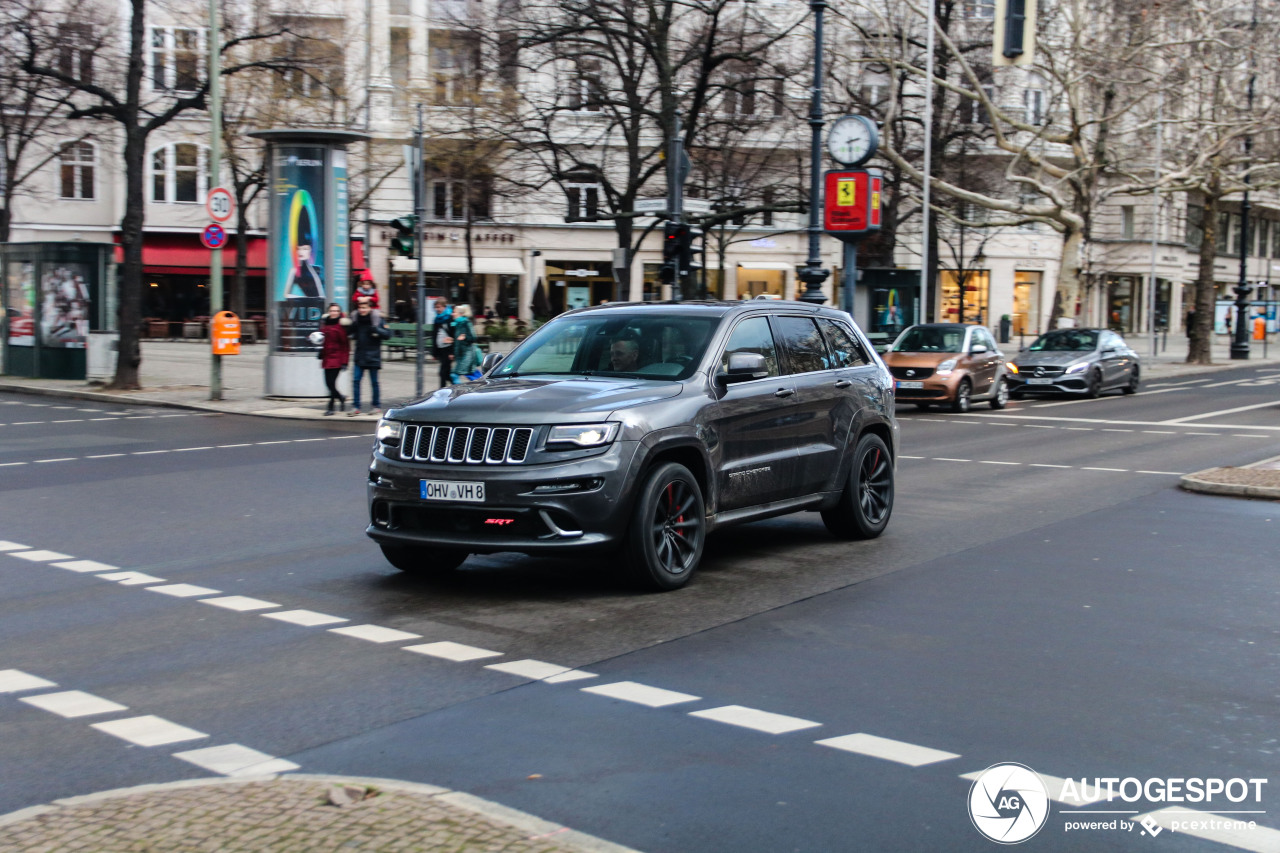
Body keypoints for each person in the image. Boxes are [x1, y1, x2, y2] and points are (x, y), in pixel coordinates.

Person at [350, 299, 391, 416]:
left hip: (373, 355)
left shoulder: (377, 319)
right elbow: (350, 333)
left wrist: (377, 329)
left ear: (370, 308)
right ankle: (356, 407)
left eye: (364, 308)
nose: (362, 310)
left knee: (374, 382)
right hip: (360, 355)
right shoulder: (356, 319)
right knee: (356, 381)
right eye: (360, 307)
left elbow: (388, 334)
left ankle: (376, 406)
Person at [318, 303, 351, 414]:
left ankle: (331, 407)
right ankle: (340, 397)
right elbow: (322, 339)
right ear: (329, 312)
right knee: (328, 383)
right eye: (332, 310)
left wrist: (344, 362)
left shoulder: (341, 326)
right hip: (327, 358)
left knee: (331, 383)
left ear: (339, 312)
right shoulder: (325, 325)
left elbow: (345, 345)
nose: (334, 313)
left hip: (337, 359)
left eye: (336, 311)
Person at [450, 304, 479, 383]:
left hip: (467, 354)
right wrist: (453, 353)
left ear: (461, 314)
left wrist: (465, 338)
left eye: (454, 312)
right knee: (472, 374)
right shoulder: (457, 324)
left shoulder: (466, 323)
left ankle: (459, 393)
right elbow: (456, 342)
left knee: (454, 374)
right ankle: (483, 386)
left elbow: (473, 337)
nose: (452, 314)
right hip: (461, 355)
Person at [433, 298, 454, 387]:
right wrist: (434, 352)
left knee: (443, 372)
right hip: (440, 348)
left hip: (448, 349)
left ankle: (442, 389)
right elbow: (434, 335)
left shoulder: (450, 318)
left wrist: (452, 352)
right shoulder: (437, 319)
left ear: (444, 307)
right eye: (436, 307)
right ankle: (456, 385)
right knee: (447, 373)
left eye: (439, 307)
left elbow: (454, 334)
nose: (437, 309)